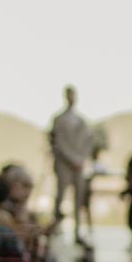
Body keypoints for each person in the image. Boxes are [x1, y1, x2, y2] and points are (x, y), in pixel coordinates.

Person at [48, 86, 95, 241]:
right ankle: (56, 226)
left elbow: (88, 142)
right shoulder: (59, 119)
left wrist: (81, 159)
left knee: (79, 197)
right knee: (61, 195)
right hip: (64, 164)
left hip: (79, 164)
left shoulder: (81, 121)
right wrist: (72, 158)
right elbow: (58, 142)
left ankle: (77, 230)